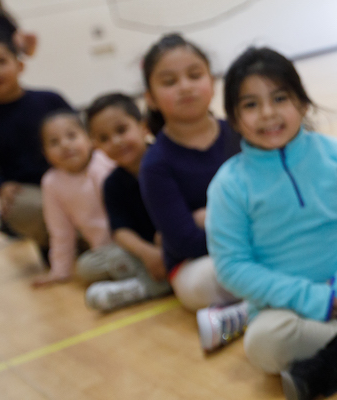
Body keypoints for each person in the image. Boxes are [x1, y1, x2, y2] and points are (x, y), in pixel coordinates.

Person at [206, 47, 337, 400]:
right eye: (251, 104)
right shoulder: (229, 185)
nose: (268, 113)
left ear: (302, 103)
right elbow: (232, 266)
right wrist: (313, 299)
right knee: (263, 344)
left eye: (279, 98)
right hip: (288, 311)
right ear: (235, 119)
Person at [136, 33, 245, 351]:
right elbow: (185, 241)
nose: (185, 86)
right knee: (218, 277)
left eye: (194, 75)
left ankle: (245, 314)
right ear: (151, 98)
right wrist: (242, 224)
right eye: (169, 81)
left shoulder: (242, 135)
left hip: (258, 246)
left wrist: (209, 218)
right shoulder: (155, 164)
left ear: (211, 82)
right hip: (199, 267)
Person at [0, 27, 70, 254]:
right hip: (31, 192)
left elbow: (82, 136)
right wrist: (0, 187)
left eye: (1, 61)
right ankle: (56, 243)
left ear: (19, 65)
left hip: (70, 178)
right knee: (21, 208)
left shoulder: (50, 100)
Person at [81, 93, 173, 311]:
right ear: (96, 146)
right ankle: (153, 274)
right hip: (142, 251)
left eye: (122, 130)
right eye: (104, 138)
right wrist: (147, 253)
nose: (116, 142)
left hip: (175, 241)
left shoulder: (166, 160)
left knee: (177, 259)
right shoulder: (112, 183)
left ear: (143, 127)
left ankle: (140, 288)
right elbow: (120, 230)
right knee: (86, 266)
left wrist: (168, 238)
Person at [33, 111, 117, 287]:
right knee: (86, 268)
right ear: (45, 153)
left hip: (135, 240)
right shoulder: (51, 183)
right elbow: (60, 231)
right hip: (106, 252)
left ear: (89, 139)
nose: (64, 145)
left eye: (71, 136)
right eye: (54, 142)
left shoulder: (104, 162)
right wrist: (60, 271)